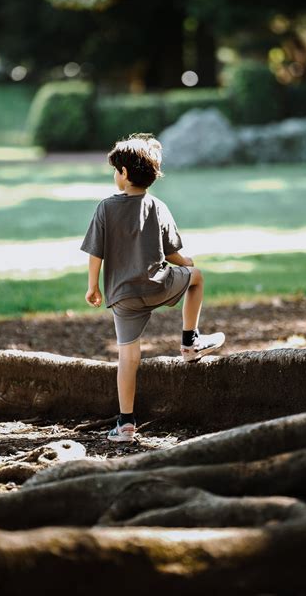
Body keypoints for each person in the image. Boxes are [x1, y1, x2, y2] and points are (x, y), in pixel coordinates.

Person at [80, 133, 225, 443]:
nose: (114, 174)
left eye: (116, 169)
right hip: (159, 284)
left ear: (125, 174)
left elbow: (96, 252)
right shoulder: (157, 206)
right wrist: (185, 261)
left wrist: (93, 286)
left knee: (128, 356)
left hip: (124, 295)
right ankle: (190, 341)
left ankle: (126, 424)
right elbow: (172, 253)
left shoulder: (105, 208)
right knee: (196, 278)